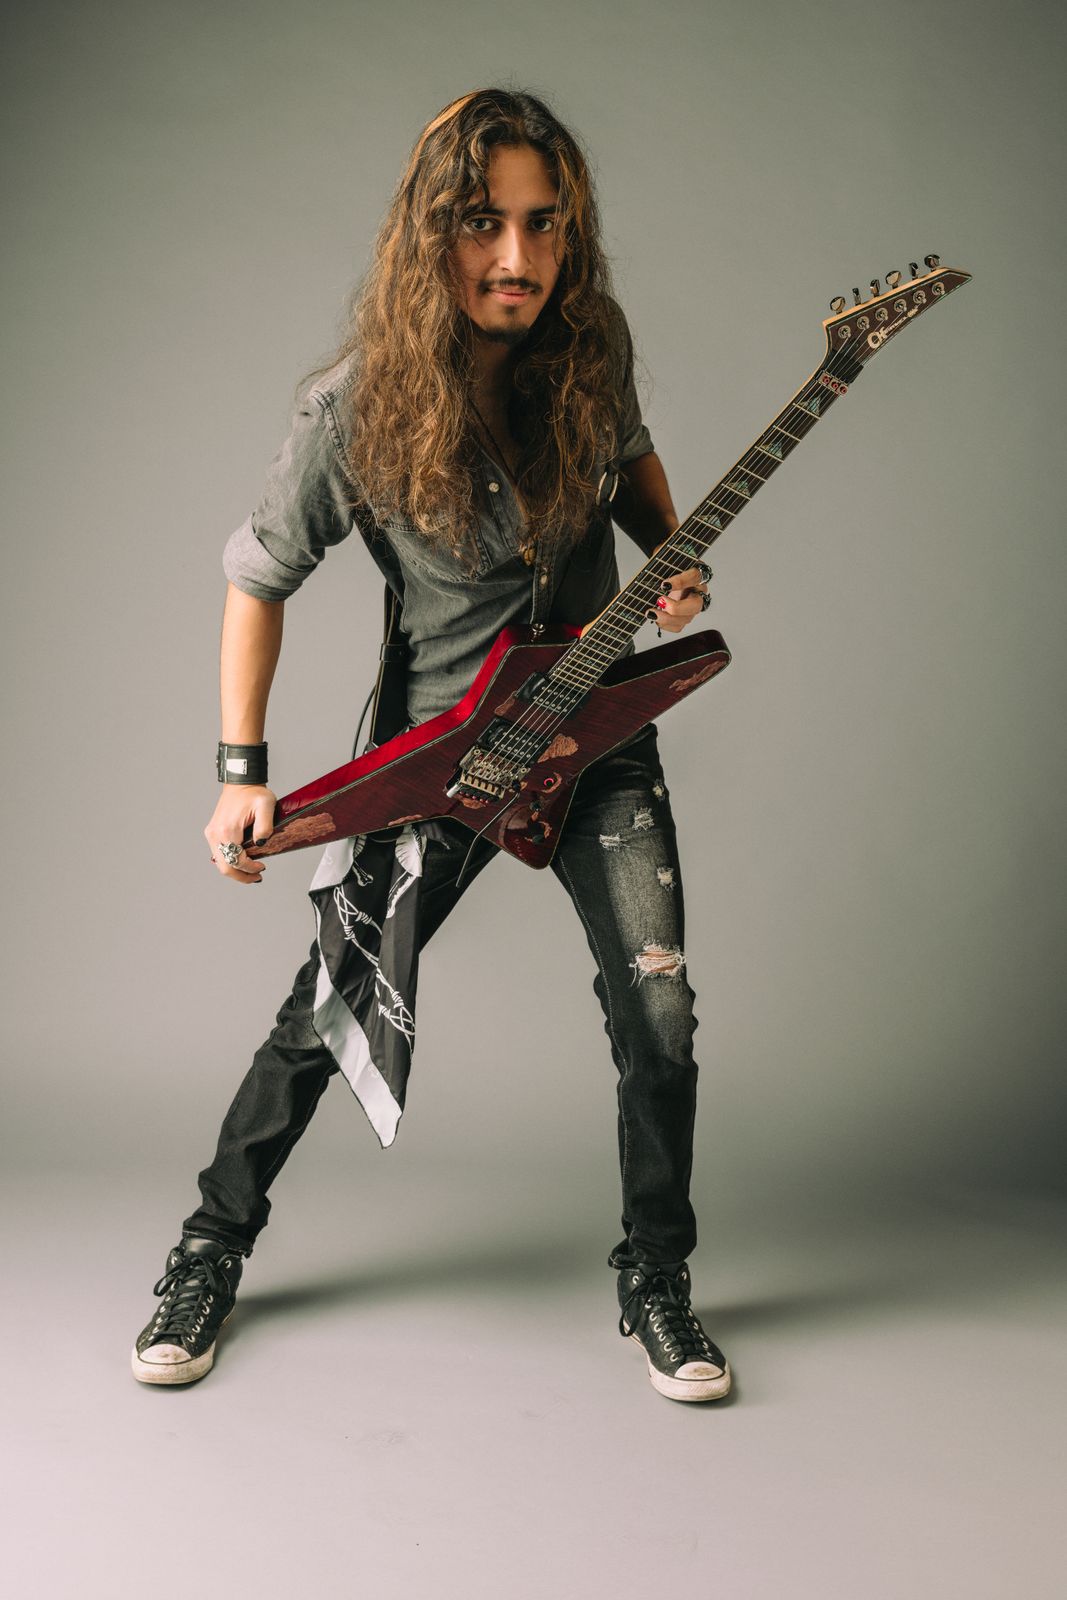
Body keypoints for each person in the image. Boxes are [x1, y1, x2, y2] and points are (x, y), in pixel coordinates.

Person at [131, 89, 731, 1404]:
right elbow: (257, 577)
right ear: (430, 232)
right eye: (481, 224)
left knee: (662, 1017)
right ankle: (208, 1249)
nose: (517, 257)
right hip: (442, 756)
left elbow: (636, 469)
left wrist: (670, 554)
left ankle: (657, 1275)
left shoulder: (592, 354)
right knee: (330, 1006)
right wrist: (239, 776)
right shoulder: (353, 406)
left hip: (597, 736)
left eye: (542, 224)